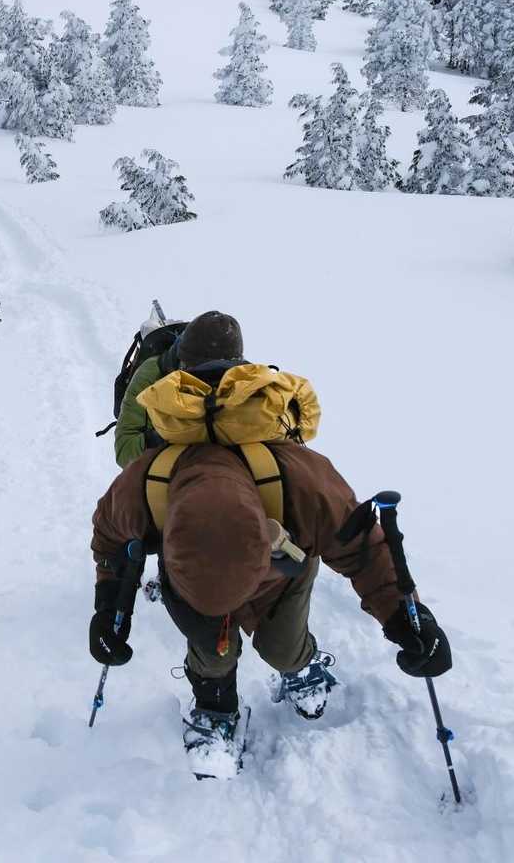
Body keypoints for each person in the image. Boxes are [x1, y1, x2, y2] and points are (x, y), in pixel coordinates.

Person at [87, 313, 452, 776]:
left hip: (281, 571)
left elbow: (362, 545)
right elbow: (109, 536)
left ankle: (300, 663)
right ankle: (215, 704)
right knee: (212, 652)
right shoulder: (151, 481)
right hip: (196, 581)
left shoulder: (294, 475)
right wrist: (108, 606)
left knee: (282, 646)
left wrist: (406, 618)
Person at [112, 310, 244, 468]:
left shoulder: (243, 379)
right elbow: (125, 450)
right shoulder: (151, 374)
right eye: (200, 370)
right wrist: (173, 433)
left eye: (218, 372)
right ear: (183, 360)